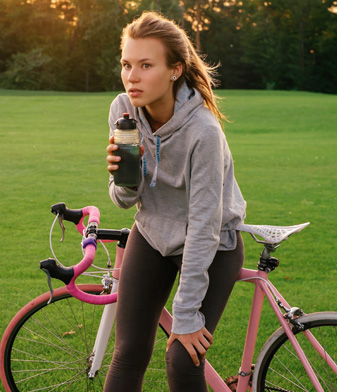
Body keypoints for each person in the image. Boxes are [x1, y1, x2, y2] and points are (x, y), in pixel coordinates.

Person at [104, 11, 247, 391]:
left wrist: (186, 316)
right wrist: (125, 175)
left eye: (146, 65)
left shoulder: (203, 132)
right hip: (152, 233)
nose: (132, 76)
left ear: (175, 70)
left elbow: (204, 225)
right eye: (126, 64)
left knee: (183, 359)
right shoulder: (122, 110)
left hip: (213, 244)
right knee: (128, 354)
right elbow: (124, 200)